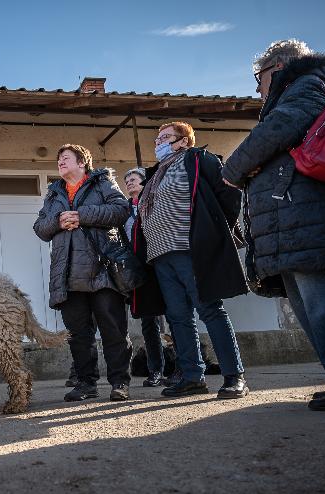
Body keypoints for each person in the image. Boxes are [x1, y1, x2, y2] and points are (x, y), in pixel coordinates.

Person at [222, 39, 325, 411]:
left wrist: (234, 169)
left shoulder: (307, 84)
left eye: (259, 77)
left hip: (306, 214)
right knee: (311, 306)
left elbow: (276, 131)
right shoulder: (298, 90)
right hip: (290, 218)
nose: (257, 88)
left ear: (281, 65)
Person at [133, 122, 249, 399]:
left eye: (166, 137)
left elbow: (229, 192)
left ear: (184, 141)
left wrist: (215, 230)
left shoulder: (199, 159)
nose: (159, 142)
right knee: (178, 318)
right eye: (157, 138)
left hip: (190, 250)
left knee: (209, 309)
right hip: (160, 256)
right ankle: (192, 376)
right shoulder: (155, 174)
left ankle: (234, 376)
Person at [34, 144, 133, 402]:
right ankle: (86, 384)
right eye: (59, 160)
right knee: (79, 335)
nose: (60, 162)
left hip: (103, 271)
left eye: (66, 158)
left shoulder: (102, 183)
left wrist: (82, 215)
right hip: (68, 274)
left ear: (82, 163)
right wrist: (57, 222)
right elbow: (40, 228)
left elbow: (121, 210)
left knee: (113, 330)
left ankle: (119, 382)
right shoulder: (54, 193)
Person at [123, 167, 168, 387]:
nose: (130, 183)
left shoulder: (154, 202)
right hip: (140, 272)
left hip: (161, 264)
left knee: (175, 317)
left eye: (134, 179)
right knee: (149, 324)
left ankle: (183, 369)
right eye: (127, 181)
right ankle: (155, 371)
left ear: (145, 182)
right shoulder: (124, 211)